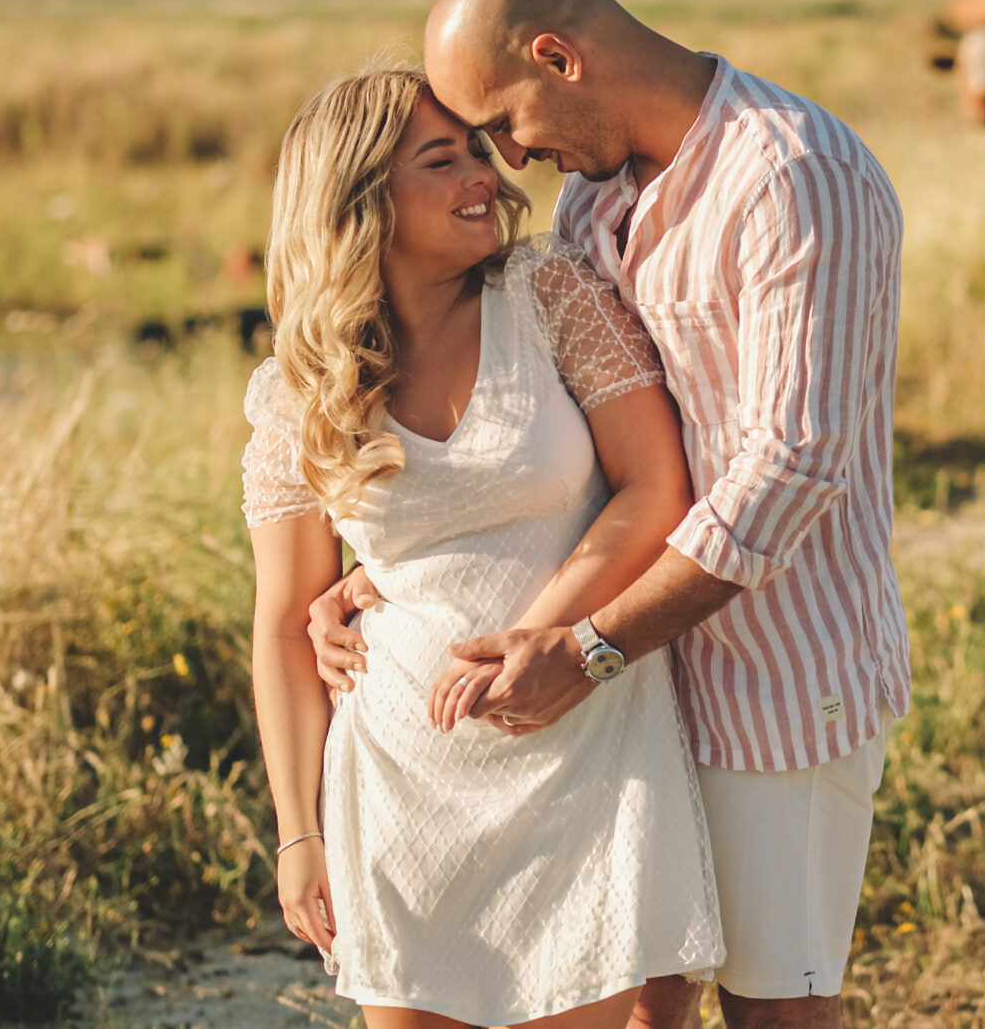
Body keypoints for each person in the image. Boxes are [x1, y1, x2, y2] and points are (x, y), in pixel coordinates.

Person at [308, 0, 911, 1029]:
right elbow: (560, 455)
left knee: (779, 1009)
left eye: (500, 124)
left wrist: (590, 649)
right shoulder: (594, 207)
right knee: (644, 1015)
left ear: (557, 57)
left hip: (772, 677)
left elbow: (793, 464)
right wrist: (385, 577)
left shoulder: (794, 174)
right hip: (625, 704)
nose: (507, 164)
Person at [246, 66, 723, 1029]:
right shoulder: (300, 390)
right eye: (443, 158)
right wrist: (299, 831)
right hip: (400, 790)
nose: (487, 174)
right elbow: (282, 629)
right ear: (360, 200)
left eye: (476, 148)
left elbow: (656, 487)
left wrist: (538, 636)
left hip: (580, 760)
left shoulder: (547, 294)